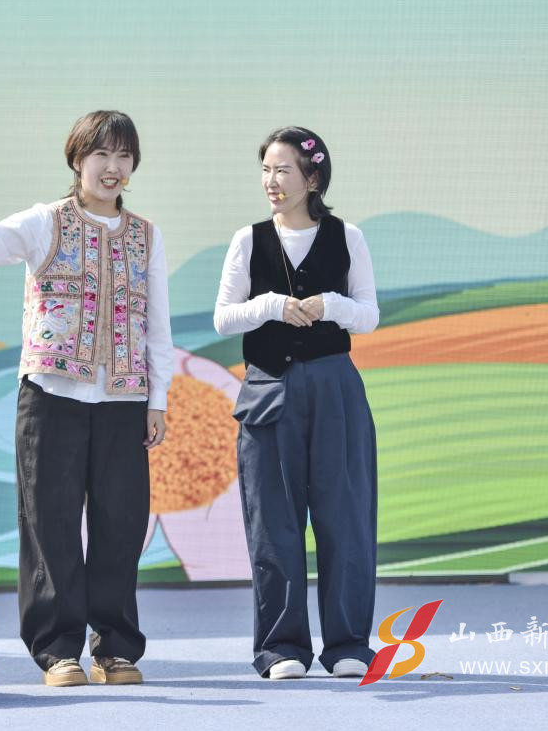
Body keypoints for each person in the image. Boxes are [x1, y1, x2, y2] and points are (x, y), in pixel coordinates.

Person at [0, 110, 172, 687]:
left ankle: (116, 649)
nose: (113, 167)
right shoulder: (46, 222)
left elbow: (158, 326)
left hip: (123, 400)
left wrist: (157, 398)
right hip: (51, 397)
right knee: (50, 524)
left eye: (124, 156)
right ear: (77, 159)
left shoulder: (147, 235)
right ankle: (59, 651)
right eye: (101, 154)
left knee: (122, 525)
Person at [213, 127, 380, 680]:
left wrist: (331, 304)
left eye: (283, 170)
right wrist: (271, 307)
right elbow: (224, 317)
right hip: (269, 390)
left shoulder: (347, 236)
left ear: (312, 178)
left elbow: (369, 314)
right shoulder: (248, 240)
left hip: (335, 389)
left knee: (345, 517)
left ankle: (349, 645)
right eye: (265, 170)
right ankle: (281, 647)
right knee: (273, 521)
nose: (271, 181)